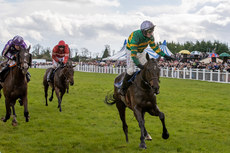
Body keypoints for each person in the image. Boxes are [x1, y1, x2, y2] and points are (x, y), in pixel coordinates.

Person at [120, 20, 173, 96]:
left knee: (149, 69)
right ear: (144, 31)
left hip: (141, 52)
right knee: (131, 70)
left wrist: (165, 55)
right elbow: (134, 55)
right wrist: (139, 65)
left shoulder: (150, 37)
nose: (151, 33)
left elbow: (154, 47)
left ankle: (152, 88)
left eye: (152, 31)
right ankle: (123, 88)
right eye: (150, 31)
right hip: (131, 51)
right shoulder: (135, 37)